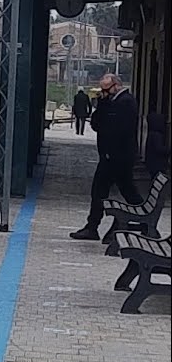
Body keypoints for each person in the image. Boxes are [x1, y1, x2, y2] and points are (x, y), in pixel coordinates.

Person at [70, 73, 144, 240]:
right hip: (110, 156)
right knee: (122, 190)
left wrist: (110, 152)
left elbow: (115, 129)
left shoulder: (126, 103)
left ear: (116, 85)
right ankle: (94, 226)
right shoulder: (111, 102)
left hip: (117, 157)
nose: (104, 93)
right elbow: (96, 123)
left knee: (101, 191)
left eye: (106, 90)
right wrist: (102, 103)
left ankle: (94, 226)